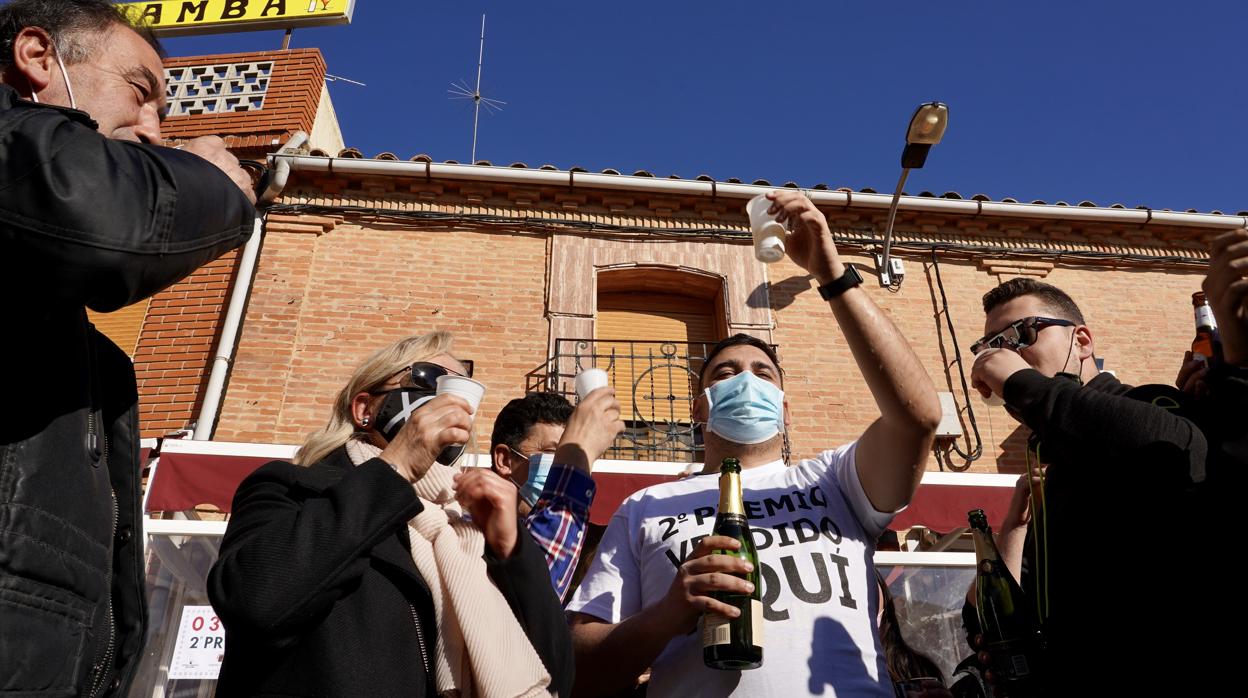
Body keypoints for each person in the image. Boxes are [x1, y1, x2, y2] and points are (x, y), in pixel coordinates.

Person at [566, 190, 943, 697]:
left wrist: (832, 274)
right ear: (700, 409)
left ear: (785, 410)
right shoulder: (644, 508)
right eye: (727, 372)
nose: (747, 381)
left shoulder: (836, 480)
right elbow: (580, 668)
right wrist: (669, 613)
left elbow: (918, 416)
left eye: (764, 374)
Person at [0, 0, 256, 694]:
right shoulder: (11, 140)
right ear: (37, 57)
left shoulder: (79, 342)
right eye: (141, 94)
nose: (153, 131)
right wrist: (220, 185)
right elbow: (100, 215)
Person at [207, 332, 574, 696]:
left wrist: (512, 550)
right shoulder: (293, 489)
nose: (452, 401)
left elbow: (557, 673)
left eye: (463, 389)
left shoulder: (466, 526)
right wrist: (395, 468)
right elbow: (254, 603)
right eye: (429, 380)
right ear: (366, 408)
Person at [968, 277, 1210, 691]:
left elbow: (1177, 451)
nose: (1003, 355)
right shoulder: (1052, 470)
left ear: (1081, 341)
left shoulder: (1149, 403)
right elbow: (993, 613)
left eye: (1019, 335)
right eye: (991, 346)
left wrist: (1026, 385)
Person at [490, 390, 622, 602]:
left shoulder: (582, 546)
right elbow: (532, 600)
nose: (568, 465)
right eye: (554, 452)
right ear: (505, 460)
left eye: (570, 456)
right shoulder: (472, 534)